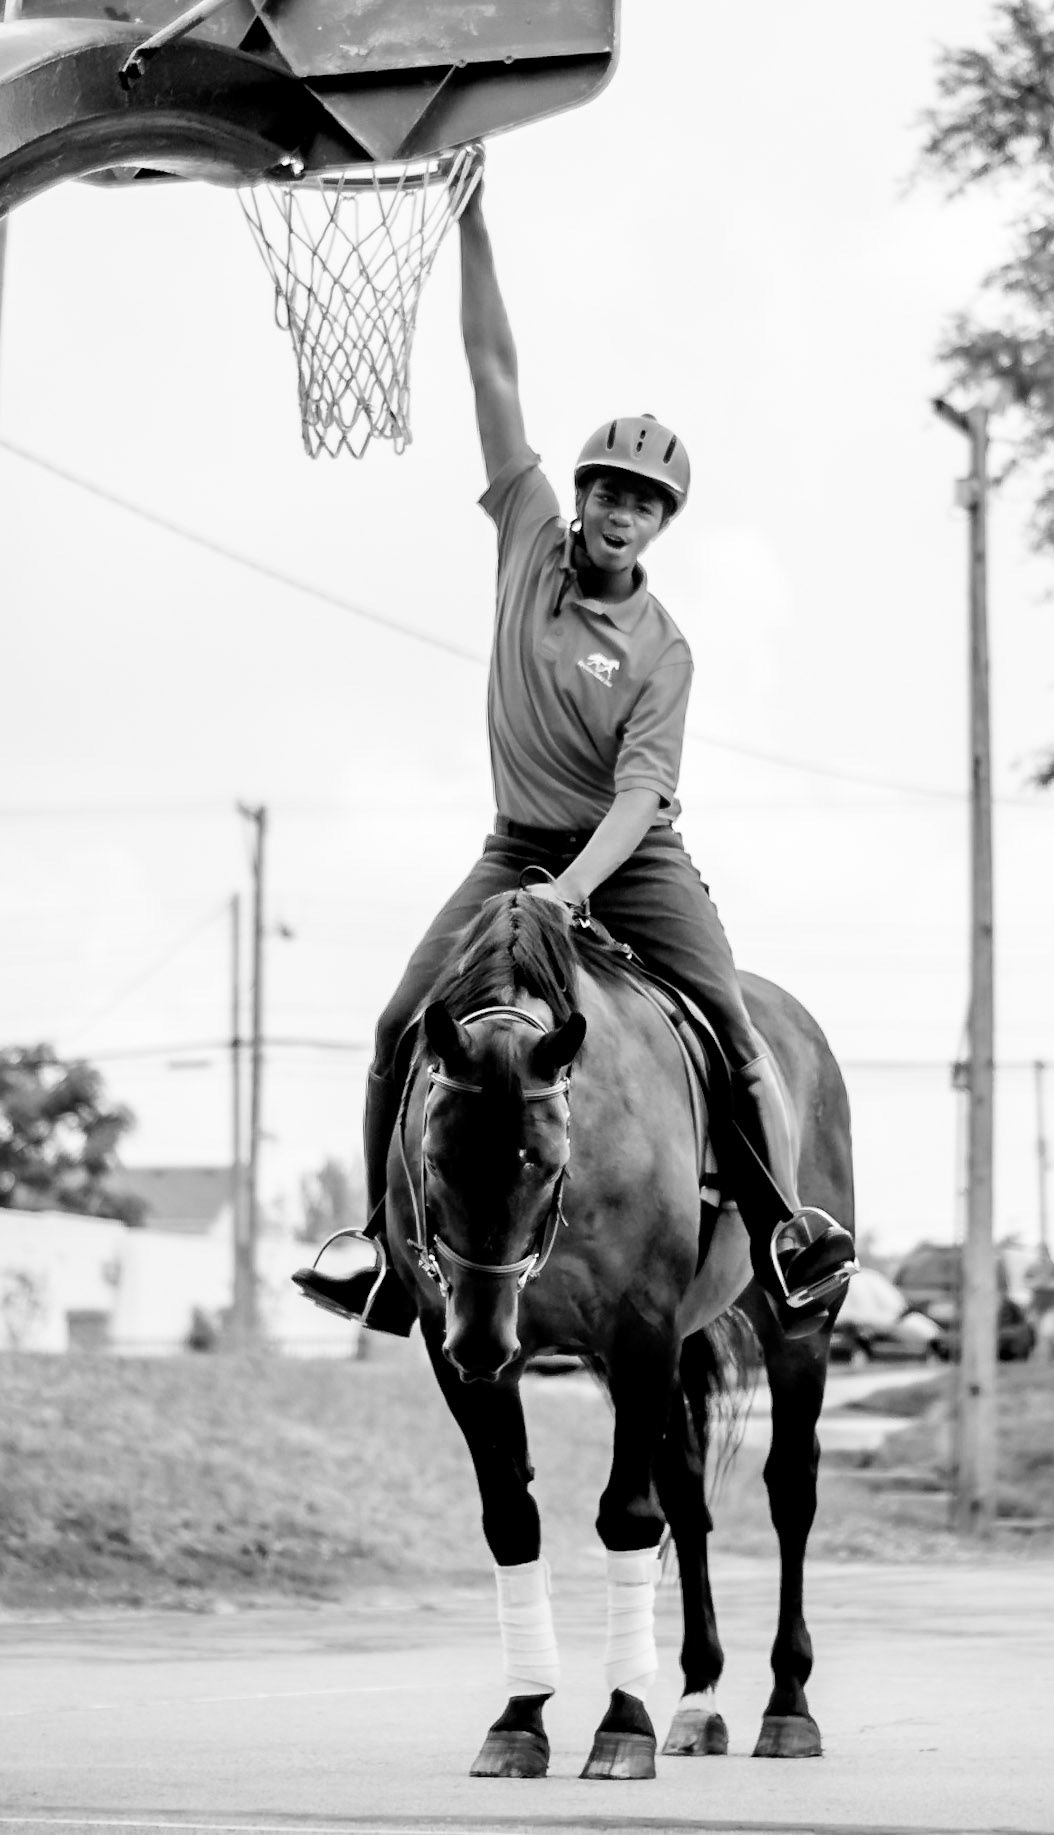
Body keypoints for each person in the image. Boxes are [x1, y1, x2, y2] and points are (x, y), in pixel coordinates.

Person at [294, 179, 857, 1337]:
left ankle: (785, 1233)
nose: (616, 509)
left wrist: (572, 892)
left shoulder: (663, 649)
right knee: (402, 1020)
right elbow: (491, 371)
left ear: (661, 524)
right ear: (581, 492)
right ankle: (382, 1252)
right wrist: (471, 225)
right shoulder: (525, 538)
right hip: (515, 849)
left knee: (734, 1029)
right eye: (605, 488)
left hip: (631, 859)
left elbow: (643, 794)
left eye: (643, 502)